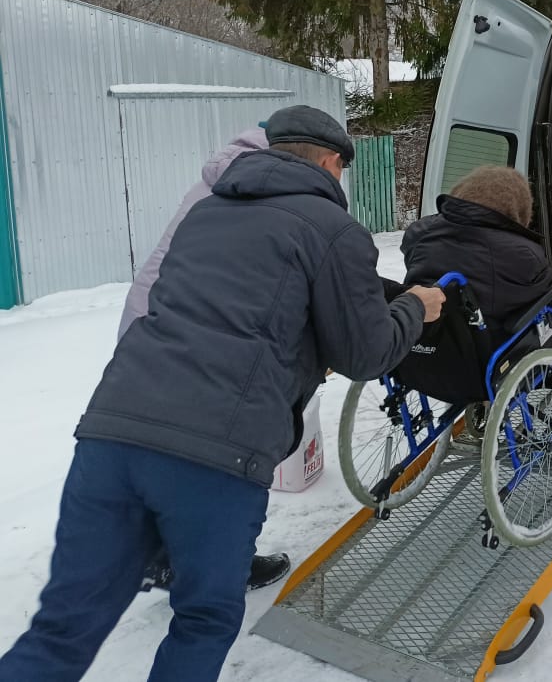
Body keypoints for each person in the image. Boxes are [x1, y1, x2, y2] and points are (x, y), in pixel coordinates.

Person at [0, 105, 445, 682]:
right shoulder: (335, 230)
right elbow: (365, 353)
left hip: (111, 432)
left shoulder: (205, 213)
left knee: (63, 624)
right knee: (203, 618)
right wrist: (416, 306)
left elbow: (235, 313)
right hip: (215, 454)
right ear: (334, 163)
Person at [117, 126, 289, 594]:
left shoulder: (223, 178)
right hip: (180, 331)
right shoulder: (259, 188)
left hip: (147, 320)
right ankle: (217, 565)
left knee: (167, 449)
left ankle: (159, 555)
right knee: (215, 453)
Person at [402, 165, 552, 342]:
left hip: (420, 344)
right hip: (485, 356)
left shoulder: (419, 233)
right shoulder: (520, 253)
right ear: (517, 207)